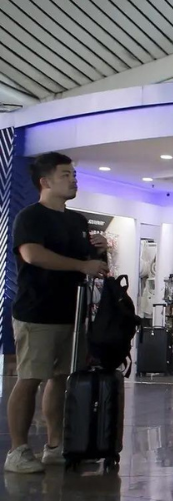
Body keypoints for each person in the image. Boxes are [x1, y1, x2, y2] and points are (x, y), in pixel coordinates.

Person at [5, 153, 107, 474]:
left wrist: (99, 251)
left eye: (74, 174)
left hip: (71, 314)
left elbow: (91, 262)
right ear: (45, 182)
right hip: (37, 312)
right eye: (66, 174)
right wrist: (81, 264)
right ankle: (18, 450)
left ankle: (54, 445)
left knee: (61, 379)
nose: (73, 179)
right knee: (30, 378)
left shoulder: (77, 221)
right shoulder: (30, 217)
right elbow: (33, 255)